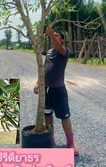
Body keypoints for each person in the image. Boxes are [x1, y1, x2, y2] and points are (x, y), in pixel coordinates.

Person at [34, 27, 79, 155]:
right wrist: (38, 82)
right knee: (47, 115)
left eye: (57, 35)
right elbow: (44, 68)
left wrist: (49, 34)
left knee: (65, 116)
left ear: (62, 39)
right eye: (53, 35)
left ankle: (70, 144)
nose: (54, 37)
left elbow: (58, 47)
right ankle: (50, 140)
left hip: (58, 89)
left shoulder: (64, 51)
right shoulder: (48, 52)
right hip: (46, 89)